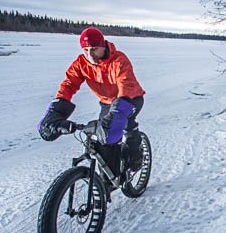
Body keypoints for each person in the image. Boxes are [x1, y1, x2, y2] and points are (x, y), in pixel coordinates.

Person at [38, 27, 146, 174]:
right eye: (86, 50)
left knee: (124, 126)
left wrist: (117, 113)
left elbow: (125, 84)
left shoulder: (119, 60)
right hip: (107, 102)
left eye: (94, 49)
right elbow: (69, 84)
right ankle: (109, 177)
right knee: (104, 139)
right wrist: (56, 110)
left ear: (103, 46)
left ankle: (135, 159)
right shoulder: (81, 63)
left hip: (130, 99)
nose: (90, 55)